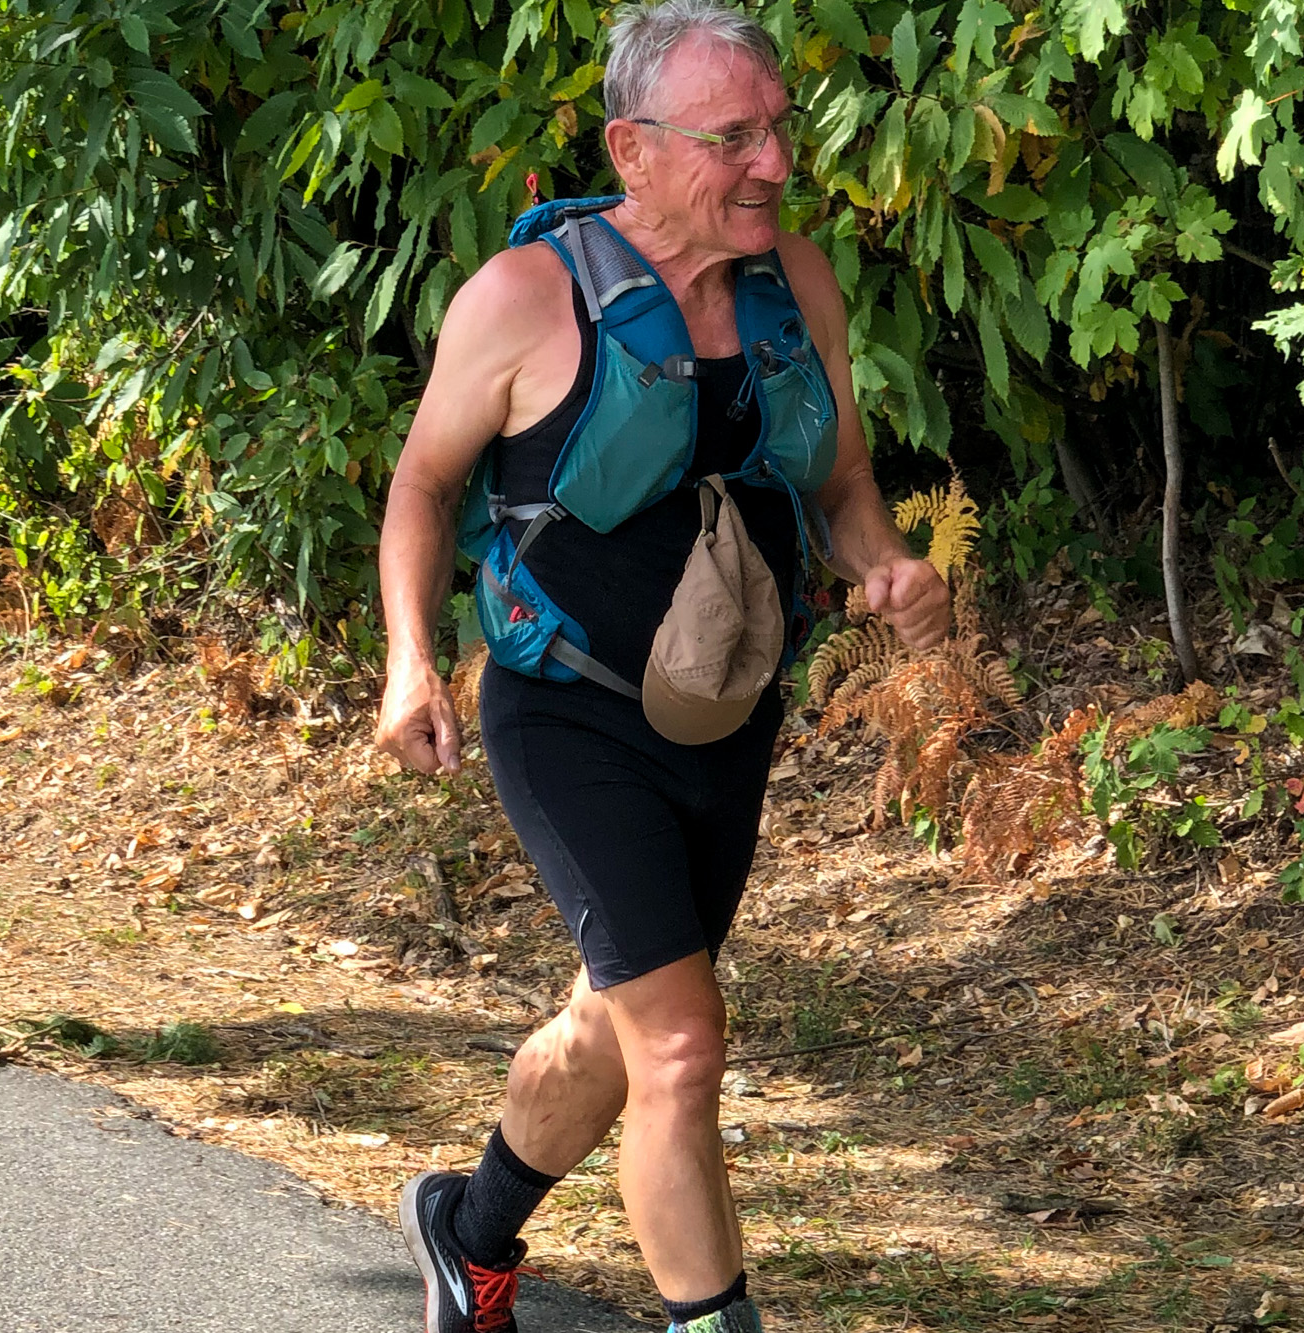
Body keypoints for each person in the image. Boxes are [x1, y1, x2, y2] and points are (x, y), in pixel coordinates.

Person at [374, 3, 953, 1331]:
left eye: (779, 131)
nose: (774, 164)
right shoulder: (527, 299)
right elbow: (421, 488)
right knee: (682, 1044)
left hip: (726, 716)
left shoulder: (793, 286)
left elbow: (842, 481)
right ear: (632, 150)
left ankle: (466, 1231)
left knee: (619, 1024)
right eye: (733, 137)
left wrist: (887, 565)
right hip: (567, 715)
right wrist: (410, 664)